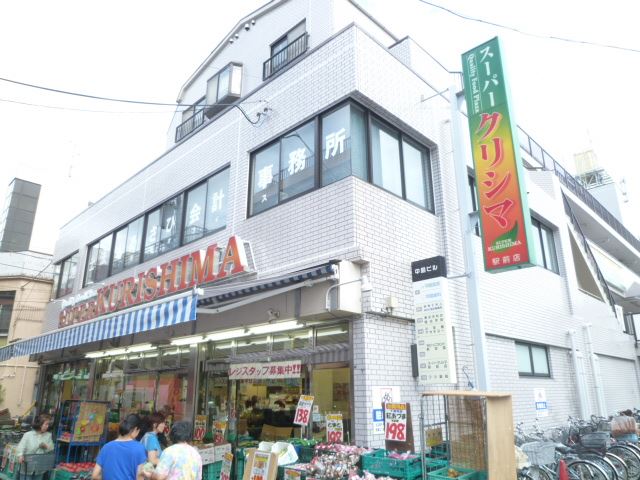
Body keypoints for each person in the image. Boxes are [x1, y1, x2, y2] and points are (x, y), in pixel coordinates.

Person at [92, 414, 147, 480]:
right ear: (135, 429)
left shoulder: (106, 447)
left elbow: (95, 475)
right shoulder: (139, 448)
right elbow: (139, 476)